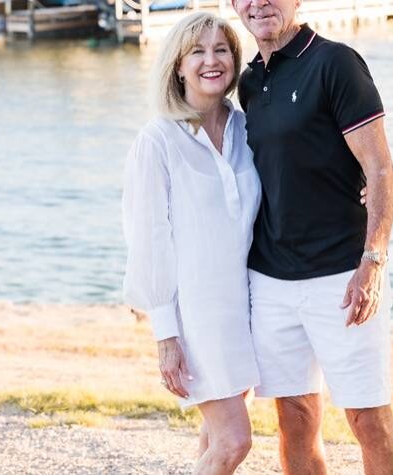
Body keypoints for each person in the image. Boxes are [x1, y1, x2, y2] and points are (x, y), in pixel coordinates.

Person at [231, 1, 393, 474]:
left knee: (368, 418)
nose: (259, 3)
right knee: (294, 419)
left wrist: (373, 260)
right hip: (270, 280)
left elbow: (381, 169)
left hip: (343, 277)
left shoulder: (335, 63)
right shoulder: (249, 82)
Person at [121, 12, 261, 474]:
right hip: (197, 316)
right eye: (197, 51)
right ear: (178, 66)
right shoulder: (158, 139)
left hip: (246, 308)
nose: (211, 61)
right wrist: (166, 335)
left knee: (214, 437)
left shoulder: (246, 129)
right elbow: (147, 239)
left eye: (221, 49)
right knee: (234, 442)